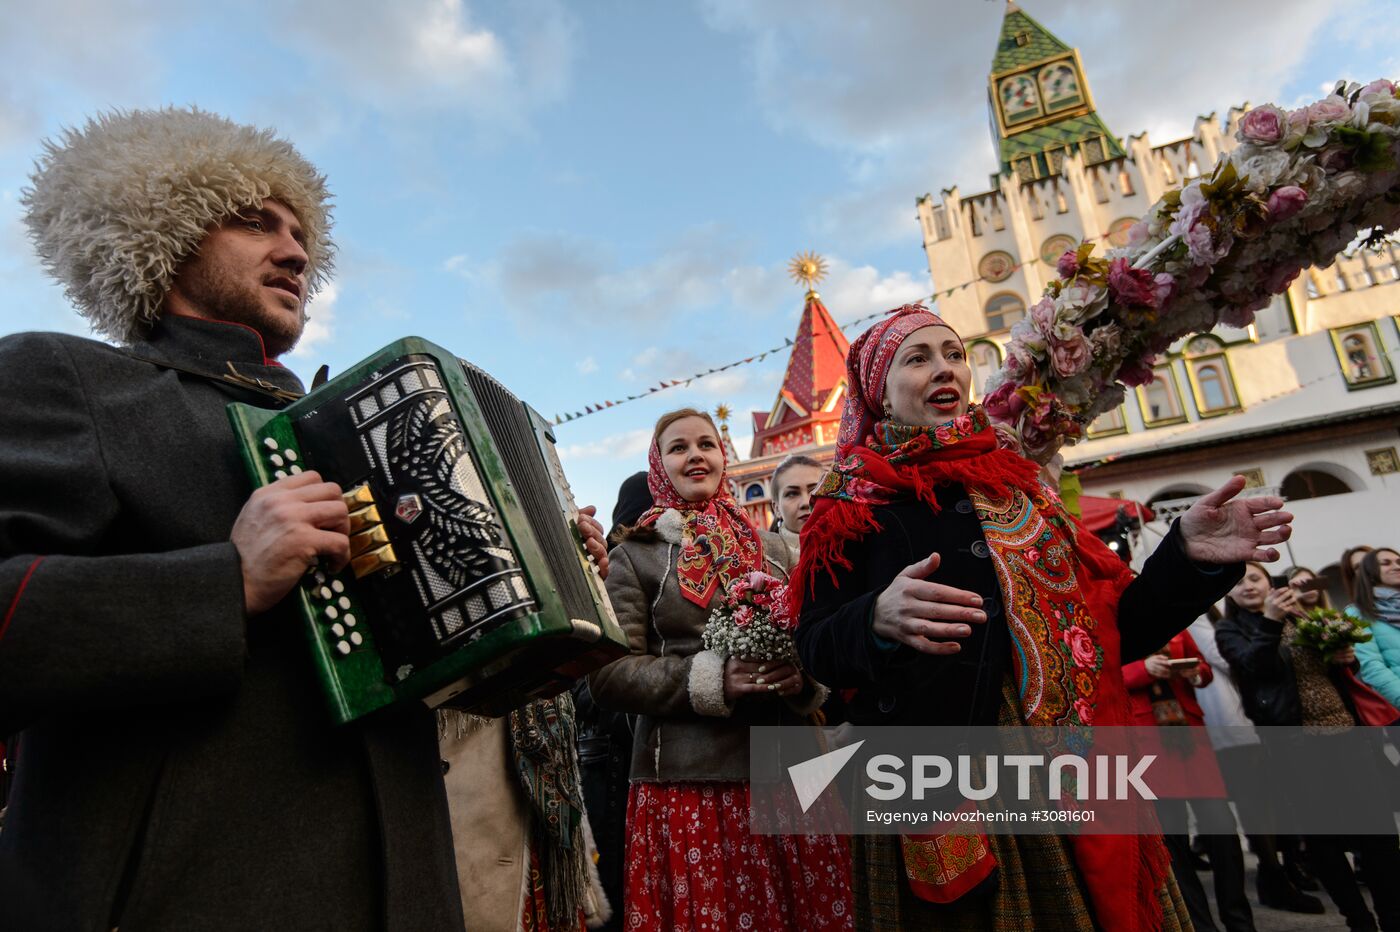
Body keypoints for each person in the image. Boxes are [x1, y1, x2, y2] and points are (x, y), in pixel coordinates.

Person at [0, 107, 613, 931]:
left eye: (300, 233)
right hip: (188, 894)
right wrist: (226, 581)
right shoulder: (65, 378)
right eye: (254, 222)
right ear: (161, 232)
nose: (295, 252)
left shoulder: (339, 425)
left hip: (408, 888)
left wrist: (537, 587)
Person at [792, 305, 1293, 931]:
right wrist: (873, 619)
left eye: (953, 353)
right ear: (879, 393)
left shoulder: (1021, 489)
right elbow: (813, 647)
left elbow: (1111, 631)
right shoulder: (848, 507)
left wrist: (1187, 557)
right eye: (916, 359)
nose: (944, 368)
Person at [588, 407, 852, 931]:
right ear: (658, 466)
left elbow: (820, 640)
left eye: (706, 445)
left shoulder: (778, 549)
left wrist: (804, 680)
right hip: (691, 781)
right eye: (679, 447)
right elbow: (609, 675)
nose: (695, 456)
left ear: (722, 457)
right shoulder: (635, 557)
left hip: (791, 770)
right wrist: (710, 678)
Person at [1217, 562, 1400, 932]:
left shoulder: (1301, 617)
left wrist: (1342, 657)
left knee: (1378, 834)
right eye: (1238, 582)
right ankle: (1358, 919)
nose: (1248, 586)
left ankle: (1393, 916)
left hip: (1346, 734)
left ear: (1270, 581)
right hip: (1295, 747)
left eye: (1254, 577)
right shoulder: (1231, 630)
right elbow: (1257, 667)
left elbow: (1332, 665)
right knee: (1323, 841)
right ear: (1229, 594)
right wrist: (1270, 620)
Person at [1188, 609, 1324, 914]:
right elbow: (1225, 657)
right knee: (1255, 802)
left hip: (1243, 715)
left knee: (1265, 799)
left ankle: (1281, 872)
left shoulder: (1212, 613)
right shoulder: (1196, 615)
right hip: (1226, 717)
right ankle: (1273, 876)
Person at [1123, 632, 1256, 932]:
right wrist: (1143, 670)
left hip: (1190, 736)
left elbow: (1204, 668)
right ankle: (1198, 924)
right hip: (1148, 741)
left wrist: (1196, 673)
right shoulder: (1115, 621)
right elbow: (1102, 676)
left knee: (1223, 832)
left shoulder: (1177, 626)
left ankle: (1239, 920)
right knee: (1174, 843)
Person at [1349, 548, 1400, 711]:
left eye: (1399, 562)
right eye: (1386, 563)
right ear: (1370, 572)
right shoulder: (1357, 612)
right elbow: (1371, 666)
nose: (1396, 566)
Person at [770, 453, 826, 558]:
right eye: (792, 494)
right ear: (776, 508)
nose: (805, 502)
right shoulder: (764, 563)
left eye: (815, 490)